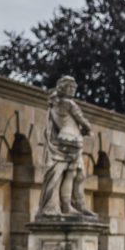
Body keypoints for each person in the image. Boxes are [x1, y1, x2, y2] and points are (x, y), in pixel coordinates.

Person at [36, 75, 96, 219]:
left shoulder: (54, 103)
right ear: (63, 88)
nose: (73, 90)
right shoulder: (68, 104)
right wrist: (88, 129)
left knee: (74, 174)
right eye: (70, 87)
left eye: (74, 88)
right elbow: (82, 120)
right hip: (72, 141)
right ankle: (69, 205)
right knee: (74, 174)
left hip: (63, 141)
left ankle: (73, 205)